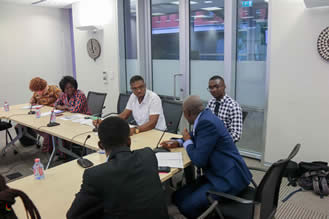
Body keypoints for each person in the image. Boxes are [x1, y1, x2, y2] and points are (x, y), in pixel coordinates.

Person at [161, 96, 252, 219]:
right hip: (219, 171)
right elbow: (195, 135)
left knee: (186, 206)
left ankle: (209, 215)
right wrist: (179, 142)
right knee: (178, 196)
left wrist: (187, 141)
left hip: (228, 179)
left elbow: (198, 160)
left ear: (187, 113)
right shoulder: (205, 116)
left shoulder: (205, 123)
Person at [67, 117, 169, 219]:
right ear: (129, 141)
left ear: (100, 145)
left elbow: (73, 215)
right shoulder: (149, 155)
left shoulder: (95, 175)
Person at [94, 75, 166, 135]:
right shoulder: (133, 96)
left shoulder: (153, 98)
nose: (139, 90)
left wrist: (135, 130)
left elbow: (152, 123)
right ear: (131, 89)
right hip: (142, 131)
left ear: (145, 86)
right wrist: (105, 122)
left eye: (141, 87)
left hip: (157, 132)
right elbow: (124, 115)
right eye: (135, 88)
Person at [29, 77, 62, 152]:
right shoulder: (36, 92)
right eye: (36, 91)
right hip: (42, 115)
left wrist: (55, 105)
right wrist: (32, 101)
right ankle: (48, 144)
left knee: (46, 129)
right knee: (31, 124)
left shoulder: (54, 90)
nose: (39, 93)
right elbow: (33, 101)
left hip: (54, 115)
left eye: (40, 90)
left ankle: (50, 147)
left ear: (44, 86)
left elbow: (64, 100)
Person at [207, 75, 243, 142]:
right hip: (209, 142)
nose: (213, 90)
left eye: (216, 87)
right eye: (210, 88)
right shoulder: (211, 102)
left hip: (223, 145)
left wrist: (217, 141)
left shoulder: (233, 106)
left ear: (224, 86)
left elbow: (236, 135)